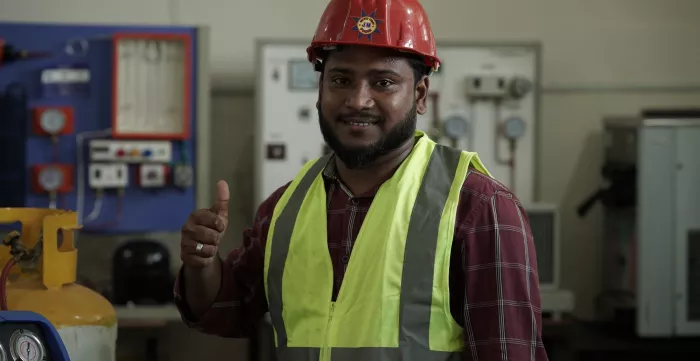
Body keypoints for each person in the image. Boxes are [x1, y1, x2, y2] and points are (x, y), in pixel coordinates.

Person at [176, 0, 549, 360]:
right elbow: (225, 312)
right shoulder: (285, 208)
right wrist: (202, 263)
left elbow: (508, 353)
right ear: (320, 90)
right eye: (340, 79)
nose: (358, 100)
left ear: (419, 95)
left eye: (383, 83)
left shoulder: (478, 207)